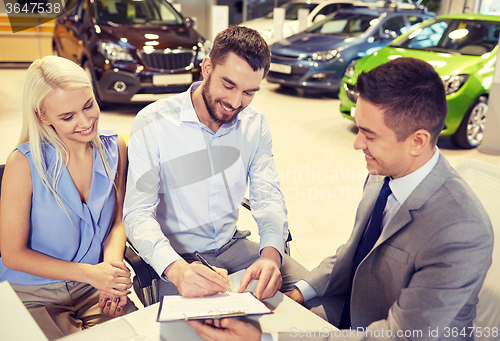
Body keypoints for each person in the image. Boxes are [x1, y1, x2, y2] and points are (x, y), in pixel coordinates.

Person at [186, 57, 494, 340]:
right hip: (353, 313)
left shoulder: (461, 230)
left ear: (417, 141)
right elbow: (354, 251)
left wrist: (267, 338)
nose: (358, 144)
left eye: (370, 135)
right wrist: (299, 294)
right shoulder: (383, 171)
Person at [123, 25, 309, 300]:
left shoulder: (255, 124)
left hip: (233, 246)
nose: (236, 102)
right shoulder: (153, 122)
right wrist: (176, 270)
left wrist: (270, 254)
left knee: (319, 294)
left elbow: (267, 196)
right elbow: (137, 215)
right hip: (179, 258)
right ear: (207, 67)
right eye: (228, 85)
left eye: (249, 92)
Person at [0, 56, 136, 340]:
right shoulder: (23, 164)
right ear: (42, 116)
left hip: (93, 287)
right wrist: (92, 274)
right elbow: (13, 255)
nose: (86, 122)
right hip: (33, 293)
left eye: (89, 105)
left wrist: (111, 273)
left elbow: (118, 221)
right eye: (68, 116)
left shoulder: (115, 148)